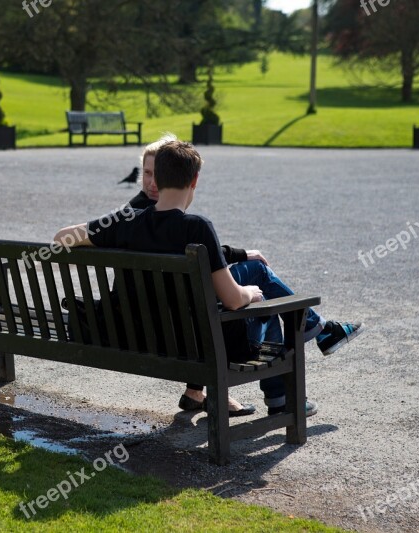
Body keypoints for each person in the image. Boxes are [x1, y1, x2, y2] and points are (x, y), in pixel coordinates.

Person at [56, 140, 363, 417]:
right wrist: (252, 294)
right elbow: (231, 299)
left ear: (156, 179)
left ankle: (286, 385)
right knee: (265, 303)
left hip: (149, 338)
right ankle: (285, 395)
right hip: (199, 343)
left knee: (254, 294)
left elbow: (62, 237)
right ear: (195, 180)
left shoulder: (124, 222)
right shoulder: (197, 226)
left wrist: (109, 236)